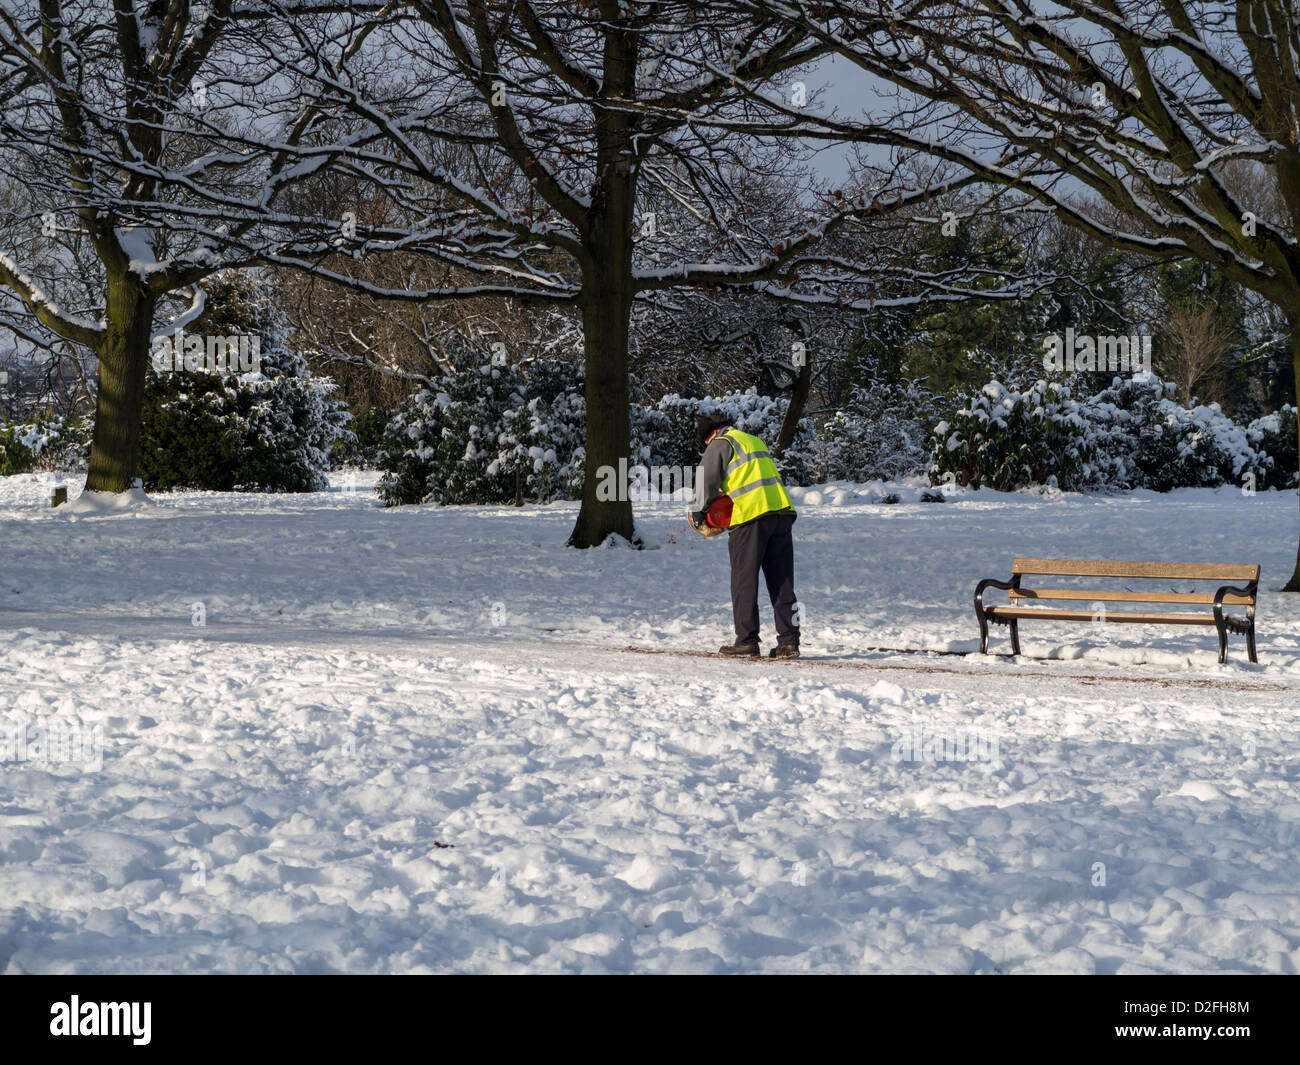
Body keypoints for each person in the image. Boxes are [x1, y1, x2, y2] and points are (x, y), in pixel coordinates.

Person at [691, 413, 800, 658]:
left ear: (710, 435)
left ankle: (747, 639)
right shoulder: (753, 440)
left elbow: (705, 480)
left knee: (744, 580)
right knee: (782, 581)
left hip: (750, 516)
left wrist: (698, 513)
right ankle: (789, 641)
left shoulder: (720, 443)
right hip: (781, 512)